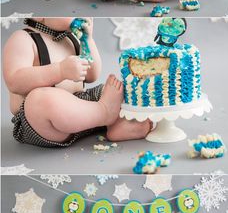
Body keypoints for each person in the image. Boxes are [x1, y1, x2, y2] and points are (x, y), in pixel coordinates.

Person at [3, 17, 154, 148]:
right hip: (42, 123)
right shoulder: (23, 39)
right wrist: (60, 71)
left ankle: (120, 126)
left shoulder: (71, 38)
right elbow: (15, 81)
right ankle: (104, 112)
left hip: (81, 110)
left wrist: (88, 41)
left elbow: (91, 76)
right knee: (39, 99)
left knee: (115, 91)